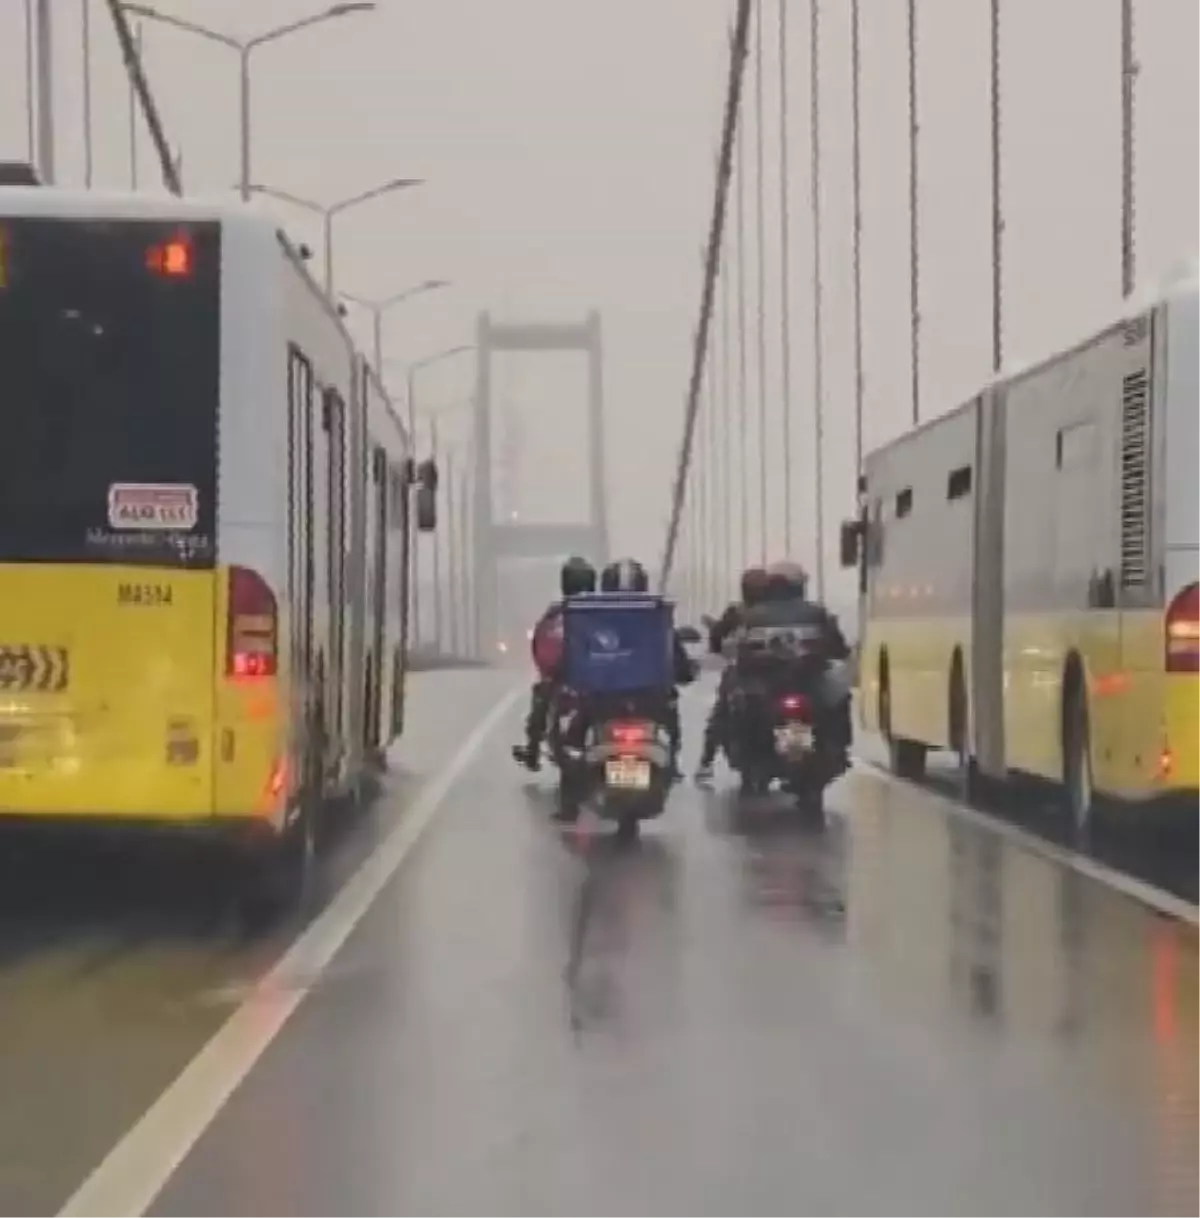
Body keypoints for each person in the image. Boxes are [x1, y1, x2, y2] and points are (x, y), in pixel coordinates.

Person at [738, 560, 852, 766]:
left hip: (769, 687)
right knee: (838, 702)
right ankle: (839, 750)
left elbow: (742, 655)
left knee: (743, 710)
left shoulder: (752, 616)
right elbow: (837, 647)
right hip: (809, 684)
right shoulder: (816, 613)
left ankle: (746, 759)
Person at [596, 557, 696, 777]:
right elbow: (679, 662)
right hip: (650, 699)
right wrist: (685, 672)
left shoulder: (592, 622)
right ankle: (673, 764)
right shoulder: (656, 619)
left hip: (603, 699)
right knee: (670, 715)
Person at [511, 555, 596, 771]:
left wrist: (550, 669)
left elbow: (541, 644)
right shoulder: (601, 610)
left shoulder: (557, 612)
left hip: (564, 677)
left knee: (541, 698)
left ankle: (533, 750)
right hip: (597, 677)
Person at [693, 565, 771, 782]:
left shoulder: (737, 612)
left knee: (720, 715)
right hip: (779, 676)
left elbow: (716, 640)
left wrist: (719, 644)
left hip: (745, 673)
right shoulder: (777, 612)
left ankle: (706, 762)